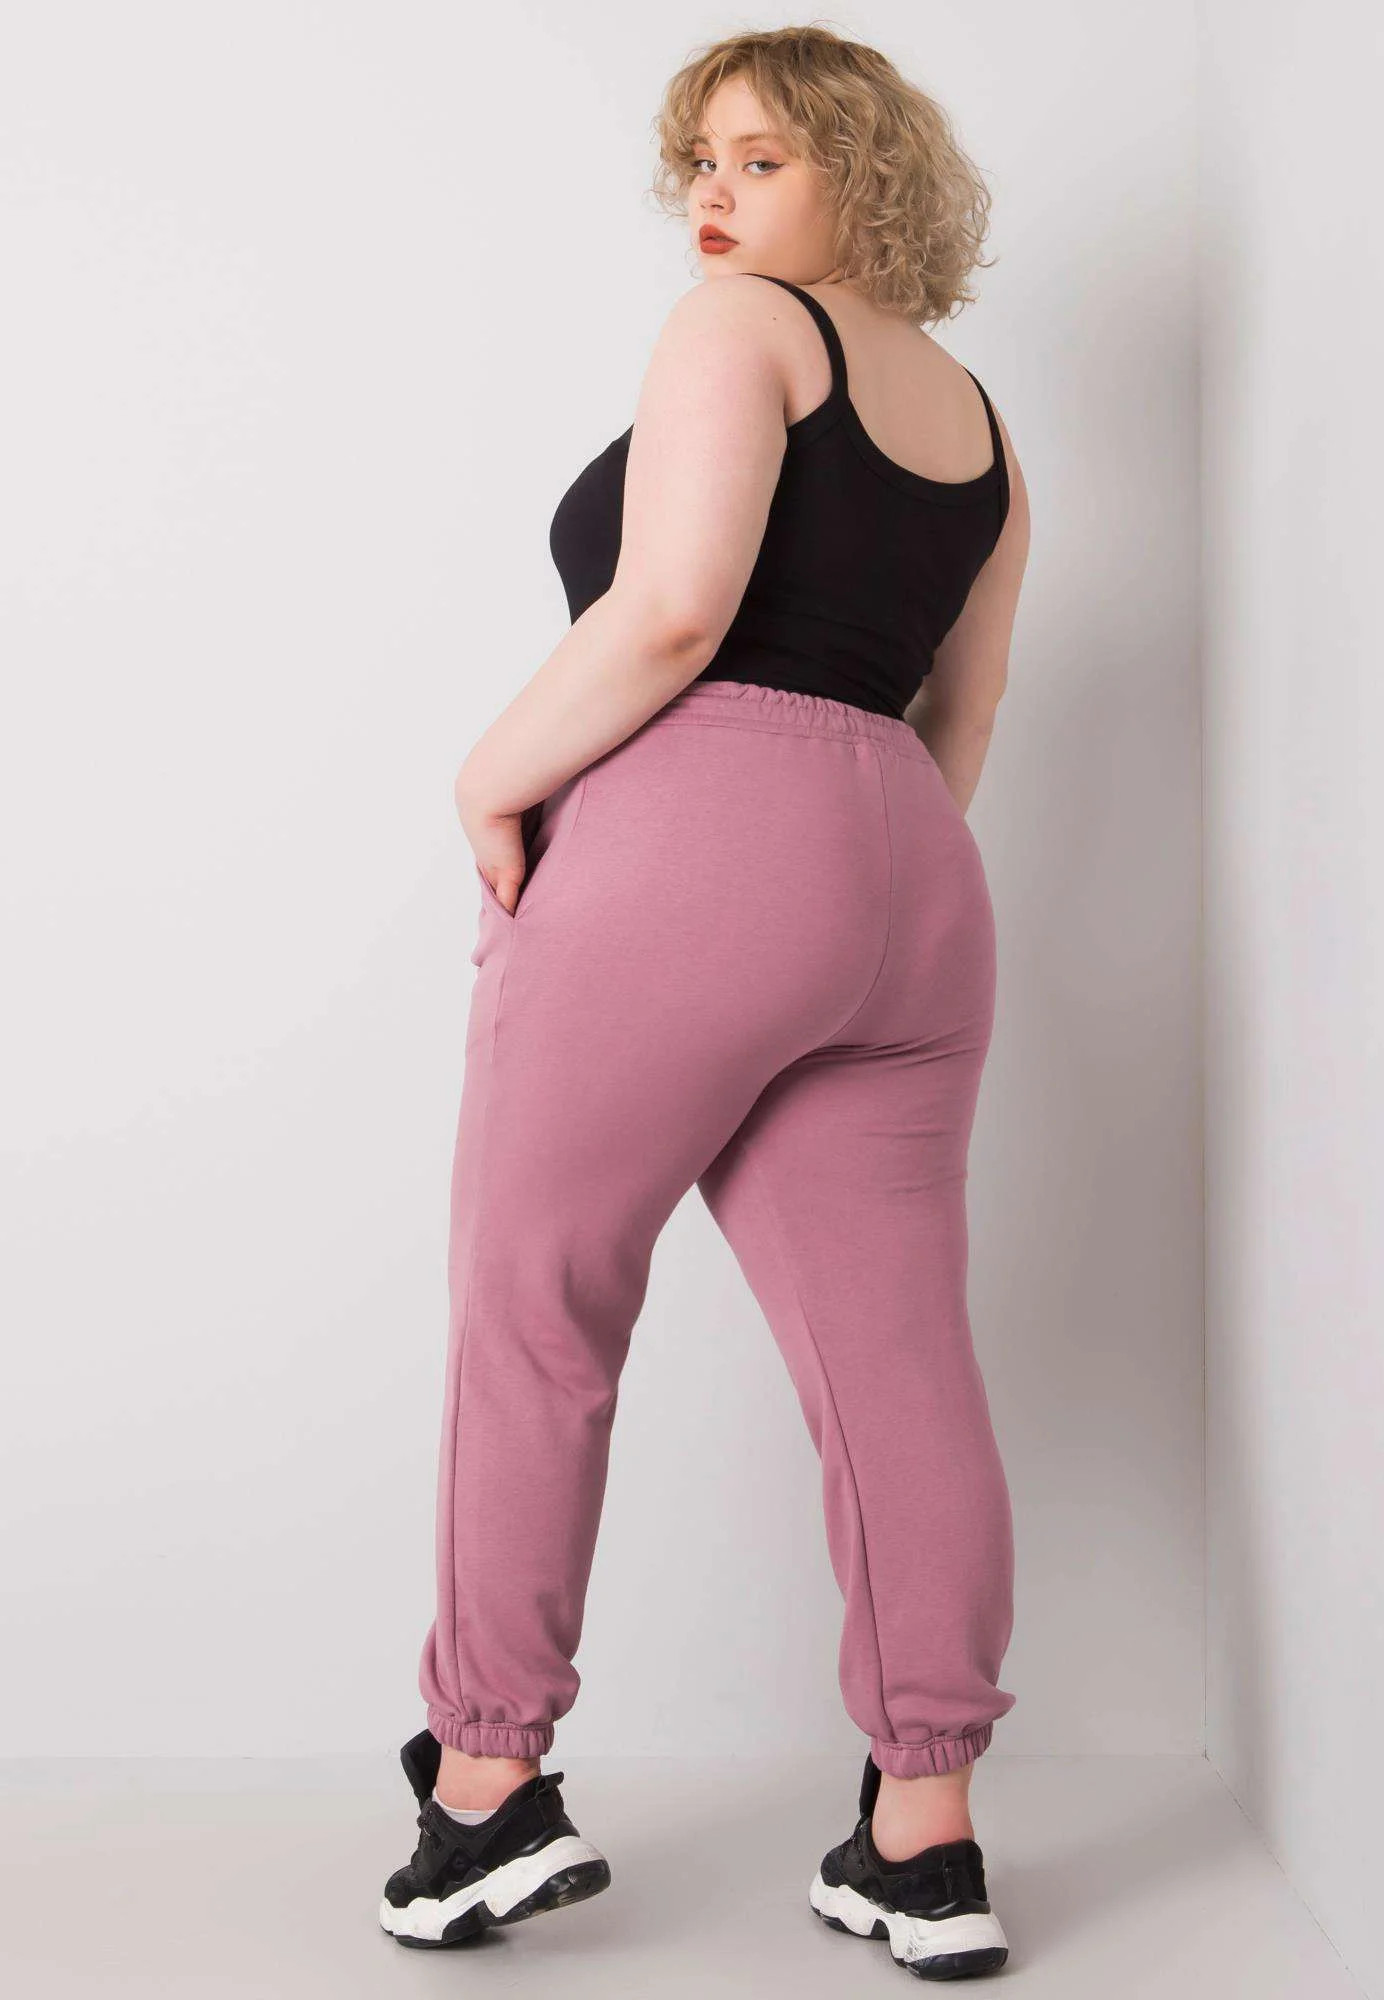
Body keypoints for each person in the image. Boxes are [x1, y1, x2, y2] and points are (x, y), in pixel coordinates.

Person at [378, 25, 1030, 1978]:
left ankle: (486, 1789)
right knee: (898, 1356)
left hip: (697, 843)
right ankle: (924, 1832)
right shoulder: (985, 426)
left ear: (863, 175)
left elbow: (670, 609)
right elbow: (964, 712)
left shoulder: (737, 333)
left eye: (761, 158)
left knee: (537, 1303)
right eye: (700, 164)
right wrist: (844, 882)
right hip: (914, 880)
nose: (714, 200)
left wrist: (489, 773)